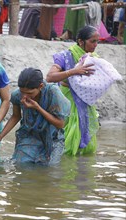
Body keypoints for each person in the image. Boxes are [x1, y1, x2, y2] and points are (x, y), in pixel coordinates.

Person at [0, 68, 71, 165]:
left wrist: (38, 108)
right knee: (21, 164)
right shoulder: (17, 95)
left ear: (40, 86)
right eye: (22, 92)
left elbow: (60, 124)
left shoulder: (53, 93)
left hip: (52, 138)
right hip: (29, 134)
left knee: (50, 170)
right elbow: (15, 116)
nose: (25, 96)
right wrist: (1, 136)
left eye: (29, 93)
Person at [46, 25, 100, 156]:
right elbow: (49, 77)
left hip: (85, 102)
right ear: (81, 41)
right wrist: (73, 72)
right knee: (66, 141)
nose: (96, 45)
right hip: (67, 103)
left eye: (97, 41)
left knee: (84, 142)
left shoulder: (93, 58)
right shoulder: (65, 56)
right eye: (92, 41)